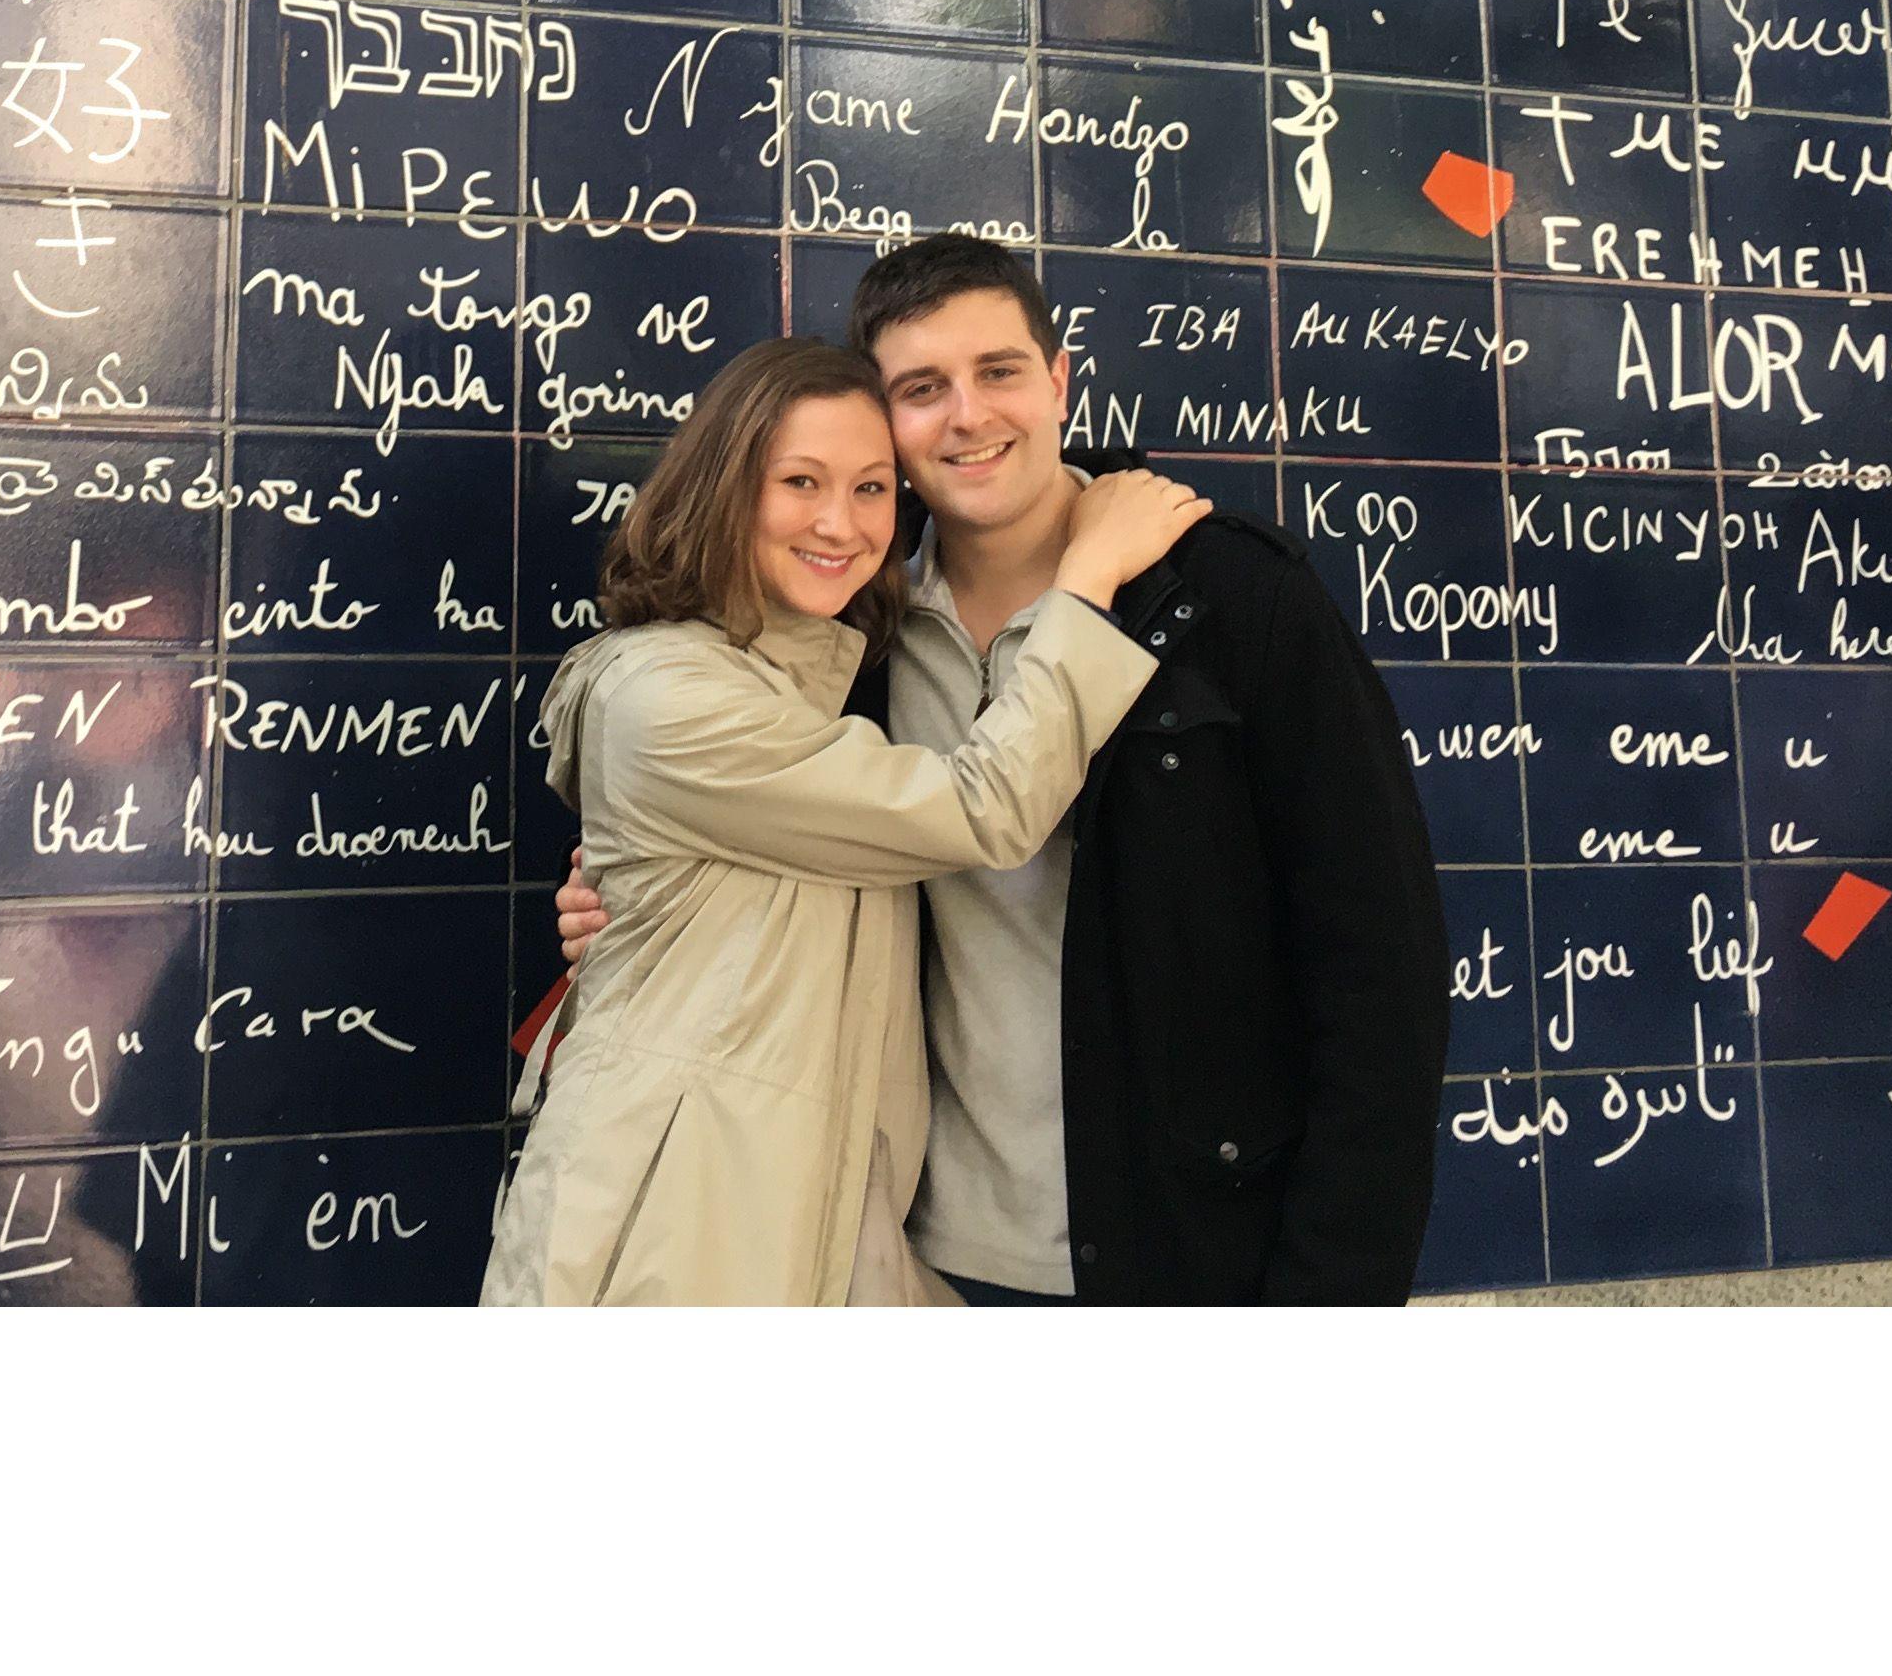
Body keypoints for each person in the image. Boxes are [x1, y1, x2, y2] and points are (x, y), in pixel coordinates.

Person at [556, 234, 1450, 1303]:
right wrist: (645, 897)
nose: (968, 417)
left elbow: (1379, 968)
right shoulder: (852, 640)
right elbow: (790, 846)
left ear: (1059, 379)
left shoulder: (1232, 600)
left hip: (1194, 1251)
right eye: (922, 389)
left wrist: (1334, 1295)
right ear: (882, 422)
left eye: (999, 372)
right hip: (914, 1256)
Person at [480, 334, 1211, 1307]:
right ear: (721, 488)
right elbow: (985, 809)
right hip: (664, 1237)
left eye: (873, 488)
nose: (842, 522)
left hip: (800, 1216)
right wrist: (1086, 579)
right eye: (800, 481)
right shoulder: (670, 698)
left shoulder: (809, 687)